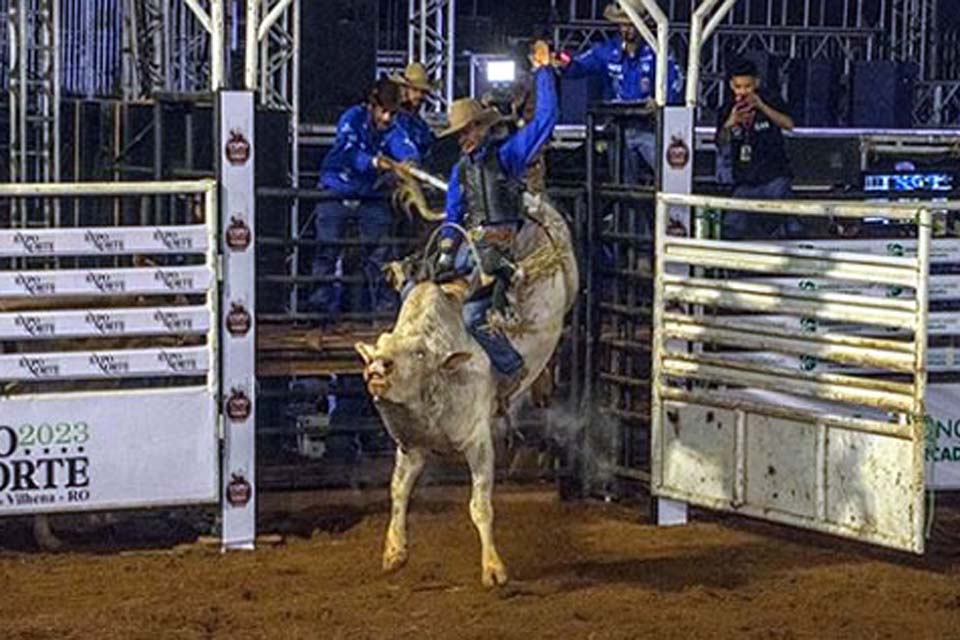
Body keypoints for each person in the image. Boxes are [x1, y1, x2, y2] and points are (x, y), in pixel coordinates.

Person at [435, 40, 558, 404]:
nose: (464, 139)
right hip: (471, 245)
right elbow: (453, 215)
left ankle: (511, 366)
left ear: (481, 128)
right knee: (420, 291)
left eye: (468, 131)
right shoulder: (461, 171)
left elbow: (546, 120)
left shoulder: (507, 156)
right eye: (460, 134)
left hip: (499, 246)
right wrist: (444, 252)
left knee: (474, 315)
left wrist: (544, 73)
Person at [309, 77, 420, 317]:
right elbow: (348, 151)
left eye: (392, 112)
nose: (387, 118)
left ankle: (384, 312)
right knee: (328, 251)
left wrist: (409, 162)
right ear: (372, 105)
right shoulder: (352, 118)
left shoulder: (393, 127)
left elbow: (405, 146)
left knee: (380, 253)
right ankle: (319, 313)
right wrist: (374, 162)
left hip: (369, 193)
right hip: (336, 187)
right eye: (383, 111)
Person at [558, 2, 683, 180]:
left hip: (649, 127)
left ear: (643, 25)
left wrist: (660, 102)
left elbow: (675, 80)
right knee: (623, 182)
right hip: (618, 127)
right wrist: (562, 61)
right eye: (624, 24)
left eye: (632, 23)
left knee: (670, 174)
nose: (627, 29)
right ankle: (627, 208)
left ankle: (668, 205)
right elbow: (578, 66)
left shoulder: (657, 51)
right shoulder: (608, 50)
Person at [716, 59, 796, 239]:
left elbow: (789, 124)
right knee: (731, 228)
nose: (743, 92)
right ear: (731, 85)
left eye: (747, 86)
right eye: (738, 87)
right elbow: (720, 142)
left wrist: (762, 106)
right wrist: (730, 122)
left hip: (774, 178)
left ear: (756, 83)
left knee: (787, 224)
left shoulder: (771, 99)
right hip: (745, 182)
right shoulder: (727, 108)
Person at [389, 62, 437, 161]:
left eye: (423, 92)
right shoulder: (393, 118)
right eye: (415, 90)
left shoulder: (421, 124)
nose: (419, 95)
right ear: (405, 90)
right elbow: (401, 147)